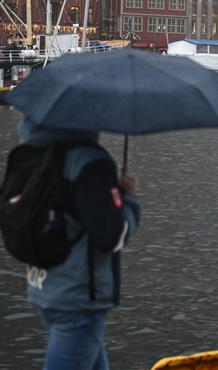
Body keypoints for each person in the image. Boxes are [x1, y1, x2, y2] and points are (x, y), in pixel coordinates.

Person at [17, 117, 141, 370]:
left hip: (47, 288)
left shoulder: (39, 155)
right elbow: (111, 237)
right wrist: (129, 201)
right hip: (79, 300)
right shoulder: (91, 163)